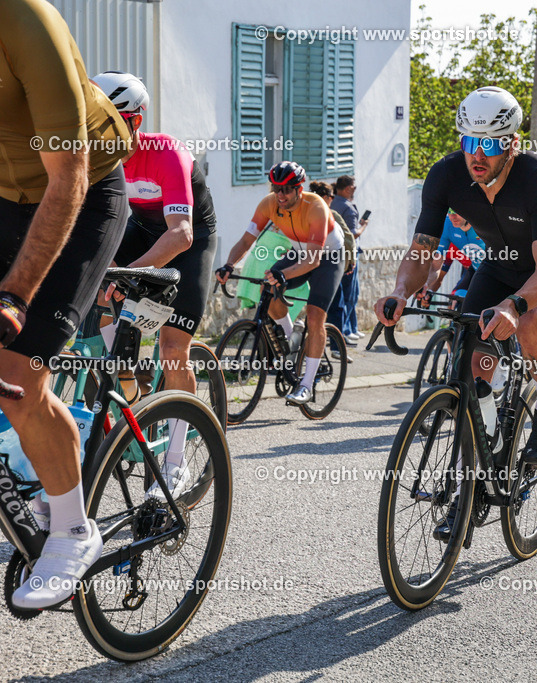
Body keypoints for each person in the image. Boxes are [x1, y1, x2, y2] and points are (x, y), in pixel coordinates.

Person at [373, 85, 537, 542]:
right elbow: (422, 250)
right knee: (472, 361)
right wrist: (399, 291)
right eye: (470, 142)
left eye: (489, 145)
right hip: (499, 265)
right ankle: (479, 461)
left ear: (511, 143)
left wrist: (513, 306)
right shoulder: (447, 175)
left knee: (529, 321)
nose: (478, 154)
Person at [1, 0, 133, 609]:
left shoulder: (26, 21)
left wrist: (15, 295)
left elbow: (69, 177)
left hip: (81, 192)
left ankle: (72, 529)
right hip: (5, 196)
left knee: (19, 378)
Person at [90, 71, 220, 499]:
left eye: (110, 121)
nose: (99, 132)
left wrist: (128, 274)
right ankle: (132, 384)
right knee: (97, 297)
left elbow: (180, 234)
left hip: (191, 237)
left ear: (136, 120)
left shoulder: (166, 154)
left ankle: (176, 463)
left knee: (171, 347)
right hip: (143, 229)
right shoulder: (97, 154)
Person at [216, 162, 346, 405]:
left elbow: (313, 261)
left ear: (300, 188)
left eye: (286, 189)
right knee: (269, 286)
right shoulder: (269, 204)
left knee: (315, 316)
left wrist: (285, 275)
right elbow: (246, 241)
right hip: (299, 251)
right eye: (276, 188)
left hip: (327, 256)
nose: (281, 195)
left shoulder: (316, 206)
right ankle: (290, 342)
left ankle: (306, 385)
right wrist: (229, 265)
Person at [309, 180, 355, 362]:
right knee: (337, 306)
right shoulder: (331, 213)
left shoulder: (303, 212)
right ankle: (336, 348)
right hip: (330, 265)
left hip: (304, 264)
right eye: (331, 197)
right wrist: (350, 261)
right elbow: (348, 238)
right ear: (327, 198)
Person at [331, 175, 368, 345]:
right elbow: (353, 234)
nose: (355, 190)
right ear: (347, 188)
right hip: (349, 254)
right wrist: (364, 225)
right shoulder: (348, 207)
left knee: (344, 294)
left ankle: (351, 328)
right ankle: (346, 331)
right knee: (350, 294)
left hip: (333, 253)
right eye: (353, 187)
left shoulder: (332, 203)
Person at [420, 209, 486, 302]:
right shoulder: (447, 224)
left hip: (499, 271)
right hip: (475, 270)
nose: (452, 216)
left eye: (456, 211)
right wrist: (425, 284)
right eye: (449, 211)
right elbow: (435, 267)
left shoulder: (485, 221)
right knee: (459, 300)